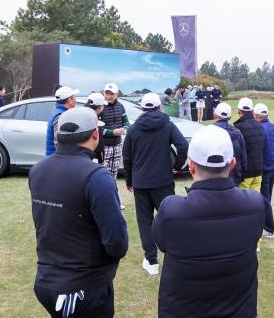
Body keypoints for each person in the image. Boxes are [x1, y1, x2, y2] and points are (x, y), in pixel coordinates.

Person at [152, 125, 265, 318]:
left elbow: (161, 242)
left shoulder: (172, 210)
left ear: (191, 166)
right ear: (232, 164)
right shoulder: (255, 204)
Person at [29, 106, 128, 318]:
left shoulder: (38, 169)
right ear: (95, 135)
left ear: (58, 135)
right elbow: (117, 243)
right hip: (82, 289)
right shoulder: (96, 176)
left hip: (46, 280)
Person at [122, 93, 188, 276]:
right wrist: (177, 166)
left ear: (142, 108)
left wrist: (129, 180)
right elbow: (182, 145)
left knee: (145, 221)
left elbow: (127, 156)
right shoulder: (167, 124)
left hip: (141, 182)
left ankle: (151, 260)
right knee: (169, 218)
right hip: (163, 180)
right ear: (159, 107)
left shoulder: (134, 128)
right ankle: (175, 254)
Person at [101, 83, 130, 207]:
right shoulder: (100, 106)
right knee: (103, 175)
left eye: (111, 94)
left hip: (117, 145)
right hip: (104, 146)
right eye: (106, 93)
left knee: (114, 174)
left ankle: (115, 201)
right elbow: (98, 128)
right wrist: (113, 132)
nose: (108, 96)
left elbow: (127, 123)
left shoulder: (121, 106)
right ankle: (104, 201)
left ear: (116, 95)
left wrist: (125, 129)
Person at [254, 103, 274, 238]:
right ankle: (264, 224)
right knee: (267, 196)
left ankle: (268, 229)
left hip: (265, 167)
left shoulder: (259, 128)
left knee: (264, 198)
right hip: (273, 166)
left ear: (255, 115)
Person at [234, 97, 266, 192]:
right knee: (255, 199)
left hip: (245, 174)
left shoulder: (238, 127)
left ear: (239, 111)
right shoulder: (260, 126)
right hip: (258, 172)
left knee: (242, 200)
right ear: (252, 111)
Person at [213, 102, 248, 185]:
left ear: (215, 114)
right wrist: (242, 175)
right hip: (234, 177)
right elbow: (243, 157)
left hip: (214, 177)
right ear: (230, 117)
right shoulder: (237, 132)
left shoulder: (209, 131)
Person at [46, 86, 79, 156]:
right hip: (57, 159)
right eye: (74, 97)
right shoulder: (60, 116)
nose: (75, 99)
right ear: (69, 100)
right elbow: (58, 141)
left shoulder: (58, 111)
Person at [84, 92, 107, 164]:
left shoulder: (81, 117)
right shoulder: (95, 122)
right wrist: (101, 160)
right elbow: (99, 146)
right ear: (100, 107)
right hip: (93, 158)